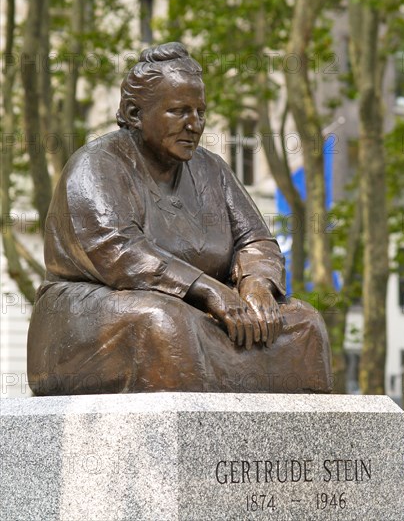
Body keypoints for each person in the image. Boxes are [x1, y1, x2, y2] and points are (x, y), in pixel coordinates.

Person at [27, 42, 332, 395]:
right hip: (89, 316)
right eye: (178, 111)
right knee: (166, 326)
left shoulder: (212, 169)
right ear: (135, 113)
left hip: (208, 307)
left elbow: (255, 240)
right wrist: (207, 290)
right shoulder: (96, 166)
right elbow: (121, 253)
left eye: (200, 112)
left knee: (306, 325)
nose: (194, 124)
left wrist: (256, 285)